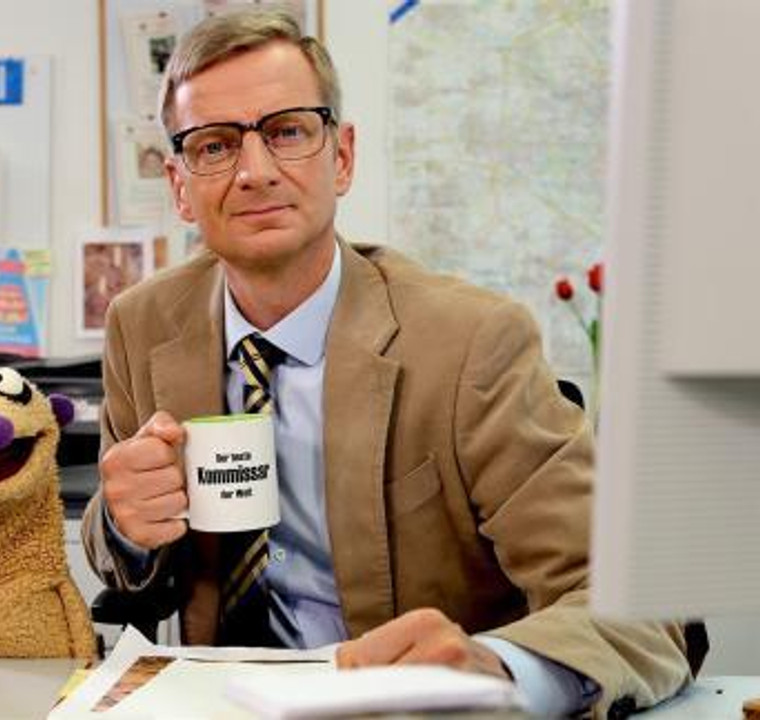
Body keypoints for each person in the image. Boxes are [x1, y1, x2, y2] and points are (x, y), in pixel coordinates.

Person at [81, 9, 692, 719]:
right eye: (214, 146)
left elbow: (640, 611)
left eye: (287, 132)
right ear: (179, 184)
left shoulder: (472, 343)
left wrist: (493, 667)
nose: (254, 172)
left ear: (341, 157)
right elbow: (120, 554)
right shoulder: (142, 325)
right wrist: (124, 522)